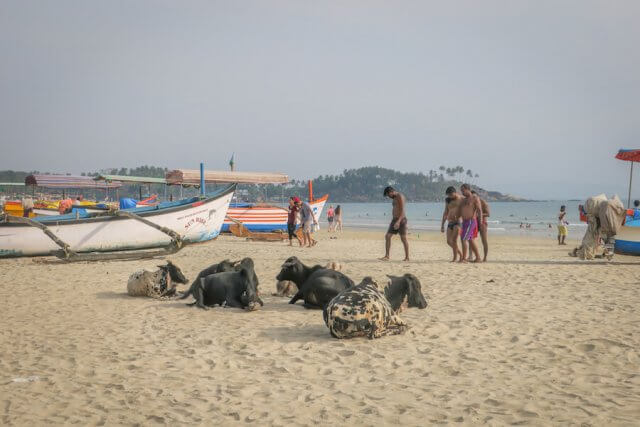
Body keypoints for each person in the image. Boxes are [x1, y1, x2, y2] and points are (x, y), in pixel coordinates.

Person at [380, 186, 409, 261]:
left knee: (403, 239)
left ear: (391, 192)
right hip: (394, 220)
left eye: (388, 195)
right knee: (387, 236)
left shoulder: (400, 196)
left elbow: (402, 210)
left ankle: (407, 257)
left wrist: (398, 222)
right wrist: (395, 220)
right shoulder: (394, 198)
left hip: (401, 220)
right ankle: (387, 256)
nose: (388, 197)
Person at [458, 184, 482, 263]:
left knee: (463, 239)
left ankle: (464, 259)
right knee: (470, 240)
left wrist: (480, 222)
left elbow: (479, 210)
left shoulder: (474, 198)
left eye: (463, 190)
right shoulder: (464, 200)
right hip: (464, 222)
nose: (462, 192)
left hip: (471, 221)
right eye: (461, 191)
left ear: (468, 189)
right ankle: (478, 258)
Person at [440, 186, 462, 262]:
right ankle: (460, 254)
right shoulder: (448, 200)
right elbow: (445, 212)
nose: (450, 196)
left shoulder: (461, 199)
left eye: (451, 195)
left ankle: (455, 258)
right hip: (450, 223)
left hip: (458, 222)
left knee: (454, 240)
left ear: (455, 192)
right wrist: (442, 225)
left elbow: (465, 210)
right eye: (448, 195)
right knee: (449, 241)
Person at [471, 190, 490, 261]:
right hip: (474, 223)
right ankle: (470, 256)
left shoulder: (483, 202)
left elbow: (488, 214)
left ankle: (485, 257)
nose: (473, 198)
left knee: (484, 240)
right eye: (471, 196)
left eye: (474, 196)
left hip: (482, 223)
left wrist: (478, 214)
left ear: (477, 196)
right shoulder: (471, 202)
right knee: (471, 239)